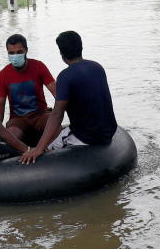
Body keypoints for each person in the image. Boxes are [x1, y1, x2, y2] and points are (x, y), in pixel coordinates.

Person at [20, 31, 118, 164]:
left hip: (86, 137)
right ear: (81, 48)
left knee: (48, 150)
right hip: (108, 132)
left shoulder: (65, 76)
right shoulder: (97, 67)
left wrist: (39, 149)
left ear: (61, 53)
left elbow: (57, 114)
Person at [0, 34, 57, 147]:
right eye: (11, 53)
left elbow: (57, 94)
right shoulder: (3, 75)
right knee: (10, 140)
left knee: (56, 130)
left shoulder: (39, 66)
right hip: (18, 119)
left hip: (41, 114)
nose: (15, 55)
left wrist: (59, 116)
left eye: (19, 52)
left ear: (26, 50)